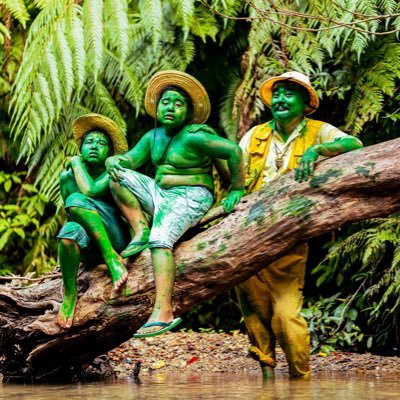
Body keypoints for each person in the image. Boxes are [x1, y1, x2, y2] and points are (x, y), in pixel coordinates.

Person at [236, 71, 363, 378]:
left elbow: (355, 144)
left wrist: (318, 150)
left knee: (286, 315)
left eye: (288, 94)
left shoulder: (318, 131)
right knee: (255, 310)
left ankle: (300, 379)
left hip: (290, 236)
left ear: (305, 101)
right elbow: (235, 172)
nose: (280, 99)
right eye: (276, 94)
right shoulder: (255, 135)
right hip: (246, 235)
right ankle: (267, 380)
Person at [106, 70, 245, 338]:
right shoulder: (152, 137)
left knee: (161, 240)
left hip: (190, 196)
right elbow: (129, 162)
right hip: (160, 194)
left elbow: (233, 151)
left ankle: (164, 312)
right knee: (117, 177)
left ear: (188, 112)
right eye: (166, 101)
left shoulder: (194, 135)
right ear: (157, 107)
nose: (170, 107)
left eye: (179, 103)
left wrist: (236, 188)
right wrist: (113, 161)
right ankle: (140, 230)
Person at [57, 113, 130, 329]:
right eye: (89, 142)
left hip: (114, 239)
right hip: (89, 246)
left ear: (109, 151)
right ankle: (70, 294)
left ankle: (111, 259)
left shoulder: (113, 171)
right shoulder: (67, 178)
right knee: (69, 230)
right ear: (81, 149)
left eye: (101, 143)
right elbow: (71, 215)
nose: (94, 146)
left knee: (76, 198)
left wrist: (76, 164)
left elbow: (90, 192)